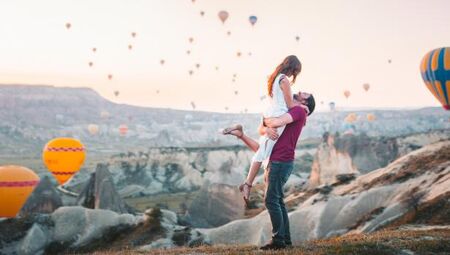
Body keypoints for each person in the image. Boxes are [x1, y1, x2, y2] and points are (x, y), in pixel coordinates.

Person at [223, 91, 315, 250]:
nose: (298, 92)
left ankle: (279, 240)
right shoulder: (292, 111)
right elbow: (262, 139)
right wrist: (260, 129)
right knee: (277, 200)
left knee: (271, 200)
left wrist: (266, 121)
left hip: (280, 162)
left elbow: (275, 122)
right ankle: (285, 240)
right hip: (277, 161)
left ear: (305, 103)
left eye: (303, 94)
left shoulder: (298, 111)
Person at [223, 55, 304, 205]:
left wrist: (267, 126)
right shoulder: (284, 80)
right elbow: (289, 105)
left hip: (270, 113)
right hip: (279, 115)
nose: (294, 75)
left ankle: (241, 134)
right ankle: (247, 184)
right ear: (292, 68)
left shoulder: (273, 78)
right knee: (262, 153)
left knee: (264, 150)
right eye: (295, 71)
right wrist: (302, 109)